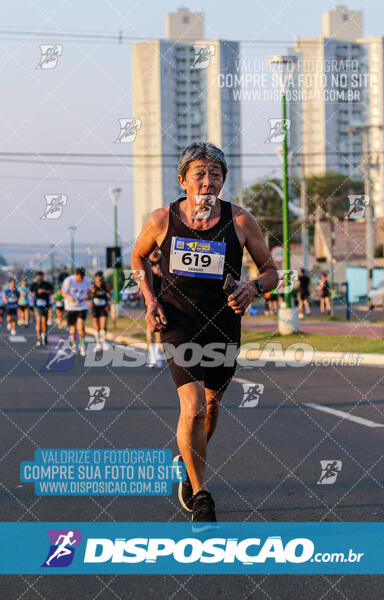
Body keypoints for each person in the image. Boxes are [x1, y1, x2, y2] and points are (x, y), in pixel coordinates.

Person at [131, 142, 278, 531]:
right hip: (177, 322)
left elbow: (271, 273)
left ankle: (187, 458)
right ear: (183, 180)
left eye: (216, 175)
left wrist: (253, 288)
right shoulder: (162, 220)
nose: (208, 181)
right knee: (193, 406)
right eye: (200, 173)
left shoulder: (241, 222)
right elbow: (137, 258)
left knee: (211, 407)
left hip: (222, 324)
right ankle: (201, 495)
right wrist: (149, 299)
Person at [61, 267, 91, 356]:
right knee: (73, 328)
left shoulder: (86, 280)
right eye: (79, 278)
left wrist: (87, 296)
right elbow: (63, 292)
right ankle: (74, 345)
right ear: (76, 275)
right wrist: (70, 297)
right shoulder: (68, 280)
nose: (80, 280)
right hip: (71, 307)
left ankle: (82, 345)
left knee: (81, 326)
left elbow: (89, 291)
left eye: (82, 278)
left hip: (82, 306)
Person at [146, 247, 164, 368]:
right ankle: (152, 354)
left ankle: (158, 354)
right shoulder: (146, 262)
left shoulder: (164, 260)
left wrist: (162, 274)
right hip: (150, 298)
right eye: (152, 249)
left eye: (156, 249)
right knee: (151, 326)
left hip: (164, 297)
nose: (155, 251)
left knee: (160, 326)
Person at [89, 271, 111, 352]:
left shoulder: (106, 285)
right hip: (95, 307)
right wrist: (93, 291)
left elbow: (109, 295)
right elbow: (89, 296)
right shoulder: (92, 286)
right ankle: (98, 344)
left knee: (103, 326)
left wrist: (108, 304)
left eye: (100, 280)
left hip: (103, 307)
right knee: (96, 327)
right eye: (97, 279)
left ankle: (104, 342)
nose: (99, 281)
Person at [30, 271, 54, 346]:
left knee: (44, 322)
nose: (39, 277)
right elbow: (30, 292)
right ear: (37, 277)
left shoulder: (47, 284)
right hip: (37, 305)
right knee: (38, 321)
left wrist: (44, 291)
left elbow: (52, 292)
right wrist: (32, 295)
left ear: (43, 276)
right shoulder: (34, 285)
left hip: (45, 305)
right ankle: (39, 338)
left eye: (41, 276)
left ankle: (45, 336)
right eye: (38, 276)